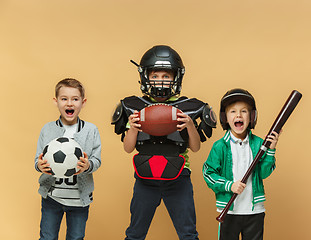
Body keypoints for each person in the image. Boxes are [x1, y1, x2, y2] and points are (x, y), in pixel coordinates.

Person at [111, 45, 217, 240]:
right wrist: (134, 127)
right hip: (145, 178)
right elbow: (128, 148)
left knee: (188, 233)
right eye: (155, 76)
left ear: (176, 78)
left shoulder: (189, 107)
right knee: (135, 233)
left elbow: (195, 147)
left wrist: (190, 125)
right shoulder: (134, 107)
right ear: (145, 77)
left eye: (166, 76)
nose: (160, 81)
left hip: (179, 178)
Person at [202, 88, 280, 240]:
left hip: (254, 210)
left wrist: (271, 150)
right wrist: (229, 185)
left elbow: (263, 173)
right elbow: (208, 174)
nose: (238, 115)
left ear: (252, 116)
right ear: (225, 117)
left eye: (244, 111)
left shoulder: (259, 143)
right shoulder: (220, 146)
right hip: (229, 210)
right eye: (232, 111)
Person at [35, 78, 101, 240]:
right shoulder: (48, 129)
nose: (69, 104)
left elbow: (97, 160)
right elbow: (37, 159)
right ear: (56, 101)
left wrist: (88, 165)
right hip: (52, 197)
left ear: (83, 102)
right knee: (47, 237)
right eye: (64, 99)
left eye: (75, 99)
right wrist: (40, 165)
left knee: (76, 237)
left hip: (79, 201)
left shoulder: (91, 130)